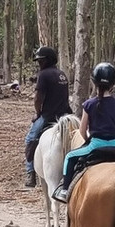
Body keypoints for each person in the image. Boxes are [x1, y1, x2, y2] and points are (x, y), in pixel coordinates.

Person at [52, 62, 115, 203]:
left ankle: (64, 190)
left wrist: (88, 139)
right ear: (113, 85)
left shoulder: (89, 104)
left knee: (69, 157)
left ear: (94, 83)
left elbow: (82, 130)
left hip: (96, 145)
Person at [23, 46, 72, 188]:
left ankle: (30, 174)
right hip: (66, 113)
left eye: (40, 60)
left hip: (49, 115)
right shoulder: (62, 74)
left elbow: (38, 98)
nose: (39, 63)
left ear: (47, 60)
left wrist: (38, 113)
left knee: (30, 138)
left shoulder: (43, 75)